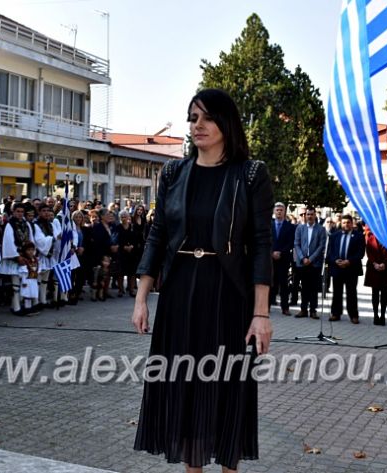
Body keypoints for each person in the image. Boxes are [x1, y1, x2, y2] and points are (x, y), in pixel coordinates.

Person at [132, 88, 273, 472]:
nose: (198, 125)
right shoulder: (174, 172)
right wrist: (142, 297)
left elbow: (261, 244)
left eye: (207, 118)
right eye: (193, 118)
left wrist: (261, 314)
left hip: (229, 295)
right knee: (183, 392)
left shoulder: (250, 174)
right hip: (179, 295)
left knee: (228, 390)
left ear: (226, 123)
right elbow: (158, 234)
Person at [326, 214, 364, 323]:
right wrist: (335, 260)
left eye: (348, 223)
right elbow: (330, 252)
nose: (346, 225)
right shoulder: (335, 235)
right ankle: (335, 313)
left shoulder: (358, 236)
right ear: (340, 224)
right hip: (337, 268)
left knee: (351, 293)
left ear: (352, 224)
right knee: (337, 292)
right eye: (344, 223)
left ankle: (353, 315)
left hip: (351, 269)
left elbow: (360, 253)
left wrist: (349, 261)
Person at [0, 203, 34, 316]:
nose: (19, 214)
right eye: (17, 211)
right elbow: (8, 241)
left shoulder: (26, 224)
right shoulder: (10, 225)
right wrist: (16, 256)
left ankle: (27, 305)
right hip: (16, 257)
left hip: (27, 257)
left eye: (21, 212)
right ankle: (16, 307)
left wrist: (32, 253)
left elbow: (31, 239)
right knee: (15, 284)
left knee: (27, 281)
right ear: (13, 212)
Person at [292, 206, 327, 319]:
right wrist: (302, 258)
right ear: (305, 216)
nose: (310, 216)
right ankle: (303, 309)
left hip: (314, 263)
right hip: (302, 262)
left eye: (312, 214)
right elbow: (296, 244)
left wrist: (310, 259)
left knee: (313, 287)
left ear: (315, 215)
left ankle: (313, 310)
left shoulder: (321, 229)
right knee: (304, 287)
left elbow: (321, 246)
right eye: (308, 214)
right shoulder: (299, 228)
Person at [364, 226, 387, 326]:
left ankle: (383, 315)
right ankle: (375, 315)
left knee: (384, 292)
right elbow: (369, 251)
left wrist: (384, 264)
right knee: (375, 293)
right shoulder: (370, 237)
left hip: (385, 268)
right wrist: (374, 263)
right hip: (374, 268)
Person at [270, 202, 295, 315]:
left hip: (283, 259)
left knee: (283, 284)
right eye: (277, 210)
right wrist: (272, 252)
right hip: (270, 259)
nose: (279, 212)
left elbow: (291, 243)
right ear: (274, 211)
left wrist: (280, 252)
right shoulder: (268, 225)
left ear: (284, 212)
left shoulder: (289, 226)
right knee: (270, 283)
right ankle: (267, 306)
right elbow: (266, 241)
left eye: (281, 210)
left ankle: (285, 307)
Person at [18, 241, 40, 313]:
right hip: (27, 280)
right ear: (25, 251)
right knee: (27, 294)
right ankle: (27, 308)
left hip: (33, 279)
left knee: (32, 293)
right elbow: (23, 272)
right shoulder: (24, 260)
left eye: (32, 250)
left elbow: (37, 268)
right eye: (28, 250)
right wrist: (24, 281)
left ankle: (32, 307)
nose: (31, 252)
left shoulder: (35, 259)